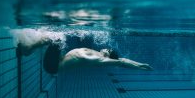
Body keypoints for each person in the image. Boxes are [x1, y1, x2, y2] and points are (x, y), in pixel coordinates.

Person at [15, 30, 153, 74]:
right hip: (58, 61)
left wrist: (140, 65)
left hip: (53, 66)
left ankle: (28, 49)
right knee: (56, 37)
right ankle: (29, 42)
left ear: (108, 54)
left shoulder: (102, 60)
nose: (105, 47)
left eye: (108, 49)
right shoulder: (97, 54)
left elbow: (122, 62)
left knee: (56, 38)